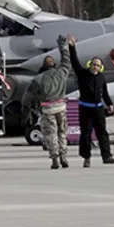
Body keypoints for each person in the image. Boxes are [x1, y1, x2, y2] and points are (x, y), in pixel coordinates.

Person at [66, 34, 114, 167]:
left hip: (98, 109)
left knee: (102, 133)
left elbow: (105, 93)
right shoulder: (82, 74)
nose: (95, 67)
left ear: (100, 68)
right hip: (85, 109)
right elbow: (74, 61)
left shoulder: (101, 78)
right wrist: (72, 47)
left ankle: (107, 156)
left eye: (97, 65)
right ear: (90, 65)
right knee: (86, 134)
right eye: (93, 64)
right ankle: (86, 157)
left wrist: (110, 104)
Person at [22, 35, 72, 169]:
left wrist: (25, 107)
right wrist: (63, 47)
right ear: (54, 64)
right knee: (62, 133)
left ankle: (55, 158)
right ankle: (63, 156)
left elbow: (28, 96)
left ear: (43, 65)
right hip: (61, 107)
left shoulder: (38, 79)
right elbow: (66, 60)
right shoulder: (62, 73)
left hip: (47, 109)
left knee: (50, 134)